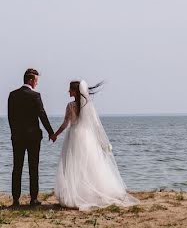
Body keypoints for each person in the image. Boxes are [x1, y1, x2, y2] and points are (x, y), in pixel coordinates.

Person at [52, 80, 138, 210]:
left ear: (75, 91)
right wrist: (103, 142)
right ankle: (90, 193)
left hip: (74, 136)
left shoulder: (70, 105)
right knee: (89, 165)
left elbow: (65, 123)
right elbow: (96, 125)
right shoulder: (88, 105)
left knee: (74, 166)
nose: (68, 91)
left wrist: (55, 134)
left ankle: (78, 193)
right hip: (86, 137)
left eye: (70, 89)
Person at [7, 68, 56, 207]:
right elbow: (42, 115)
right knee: (33, 168)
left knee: (17, 167)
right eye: (36, 81)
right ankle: (33, 199)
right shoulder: (35, 96)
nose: (36, 84)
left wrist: (14, 133)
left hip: (17, 137)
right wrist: (51, 133)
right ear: (30, 80)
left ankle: (15, 199)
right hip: (33, 137)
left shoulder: (13, 95)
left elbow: (10, 117)